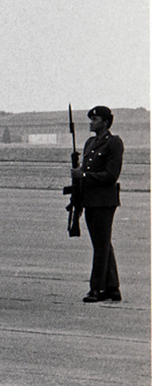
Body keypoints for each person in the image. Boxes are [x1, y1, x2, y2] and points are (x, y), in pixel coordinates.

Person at [73, 106, 124, 303]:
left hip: (104, 201)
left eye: (95, 119)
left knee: (101, 246)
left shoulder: (114, 143)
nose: (91, 122)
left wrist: (83, 175)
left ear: (105, 122)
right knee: (102, 244)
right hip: (90, 200)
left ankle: (96, 288)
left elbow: (111, 175)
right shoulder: (90, 143)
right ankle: (112, 288)